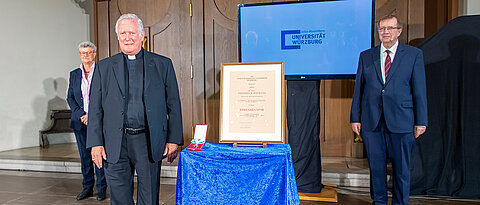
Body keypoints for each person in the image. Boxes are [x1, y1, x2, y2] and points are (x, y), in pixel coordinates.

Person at [86, 13, 183, 205]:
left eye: (131, 32)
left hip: (148, 140)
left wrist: (173, 139)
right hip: (115, 142)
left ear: (141, 35)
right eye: (122, 33)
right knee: (120, 198)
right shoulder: (104, 67)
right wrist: (95, 143)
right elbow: (95, 108)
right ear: (117, 37)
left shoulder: (163, 64)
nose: (127, 37)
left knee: (149, 198)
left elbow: (174, 104)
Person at [350, 15, 427, 205]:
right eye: (382, 29)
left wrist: (421, 121)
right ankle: (379, 202)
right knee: (376, 169)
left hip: (402, 121)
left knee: (401, 170)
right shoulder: (366, 56)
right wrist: (355, 118)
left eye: (390, 28)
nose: (385, 32)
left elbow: (419, 91)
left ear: (399, 31)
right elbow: (359, 89)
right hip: (372, 122)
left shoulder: (413, 55)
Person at [67, 41, 107, 201]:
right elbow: (70, 97)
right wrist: (81, 114)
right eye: (83, 53)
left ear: (94, 54)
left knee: (99, 155)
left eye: (89, 52)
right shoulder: (74, 74)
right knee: (85, 157)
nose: (86, 56)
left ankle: (102, 188)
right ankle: (87, 188)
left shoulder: (102, 72)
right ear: (79, 55)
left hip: (99, 122)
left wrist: (92, 116)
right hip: (80, 122)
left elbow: (106, 96)